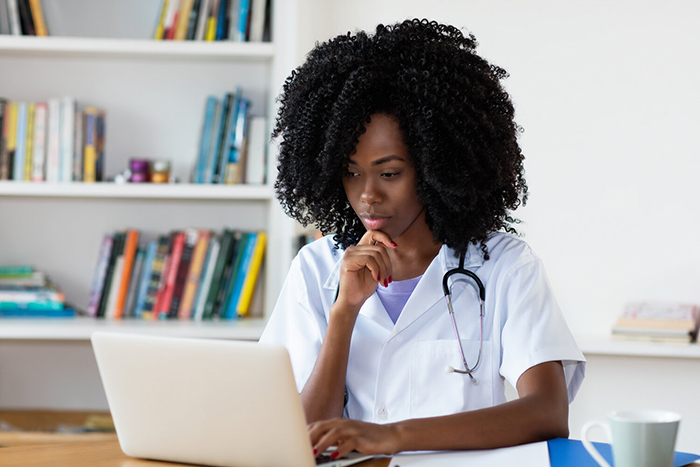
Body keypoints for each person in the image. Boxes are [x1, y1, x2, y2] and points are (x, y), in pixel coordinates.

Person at [260, 19, 585, 459]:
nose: (368, 195)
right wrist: (344, 313)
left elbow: (547, 412)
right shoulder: (316, 269)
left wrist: (390, 436)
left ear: (437, 167)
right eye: (351, 173)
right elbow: (292, 437)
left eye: (389, 173)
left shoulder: (506, 266)